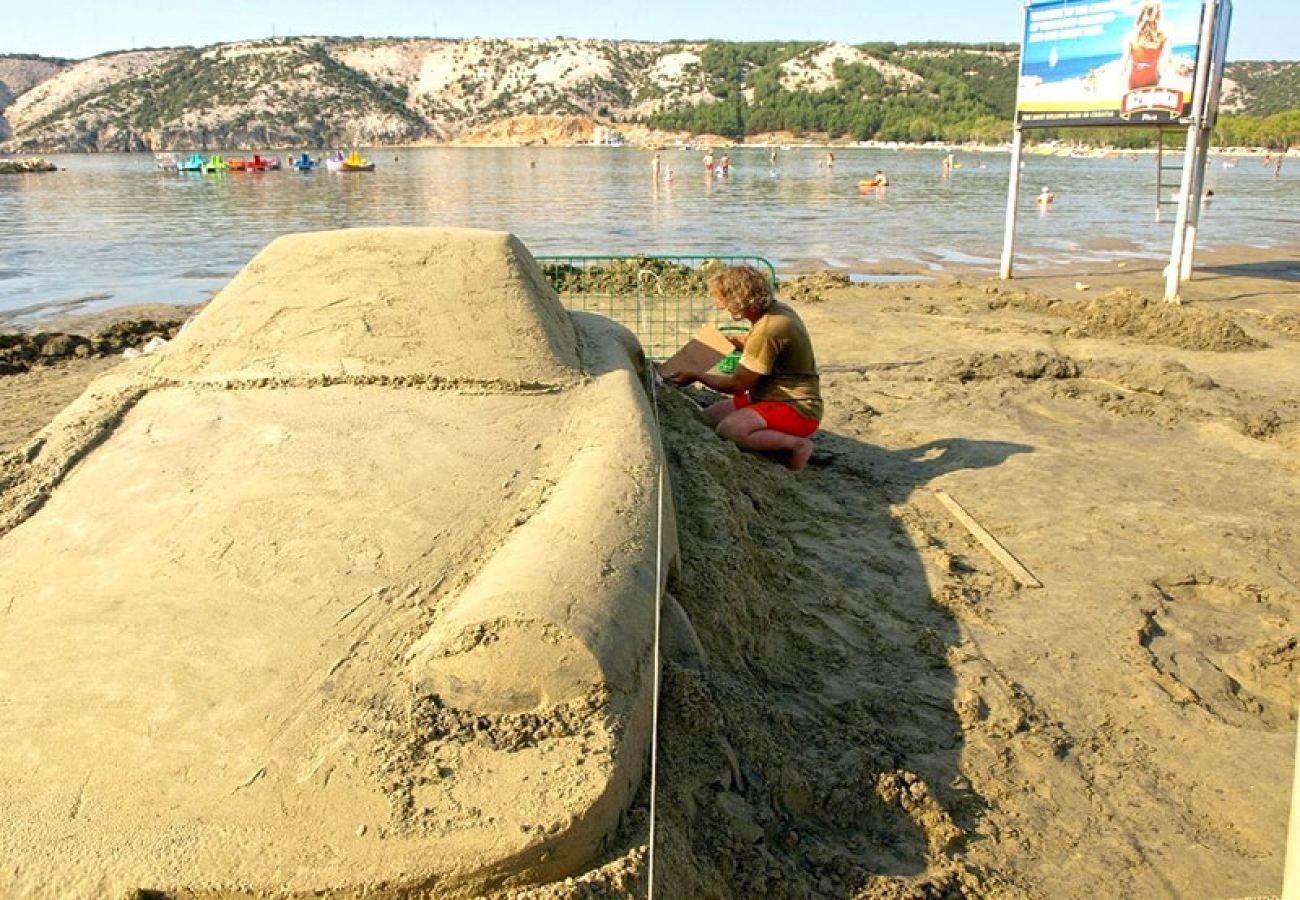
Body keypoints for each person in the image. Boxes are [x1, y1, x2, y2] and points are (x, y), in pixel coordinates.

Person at [661, 265, 822, 472]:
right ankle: (772, 444)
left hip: (797, 407)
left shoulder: (768, 329)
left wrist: (697, 375)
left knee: (730, 429)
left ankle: (797, 447)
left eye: (723, 300)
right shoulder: (777, 310)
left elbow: (738, 384)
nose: (720, 306)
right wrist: (724, 342)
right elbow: (757, 343)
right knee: (708, 418)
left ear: (740, 301)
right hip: (767, 396)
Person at [1121, 0, 1171, 91]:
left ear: (1140, 14)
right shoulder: (1165, 37)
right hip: (1153, 85)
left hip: (1133, 87)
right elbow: (1165, 66)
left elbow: (1122, 68)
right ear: (1159, 14)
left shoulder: (1130, 37)